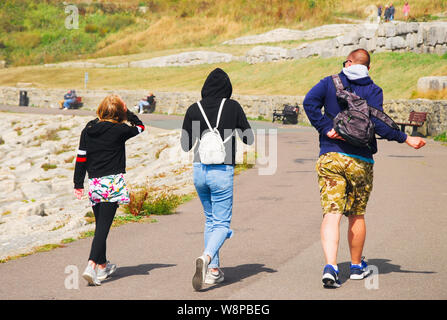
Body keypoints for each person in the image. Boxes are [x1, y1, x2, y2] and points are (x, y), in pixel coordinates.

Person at [303, 49, 426, 288]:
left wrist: (326, 127)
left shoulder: (329, 83)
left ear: (348, 63)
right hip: (361, 160)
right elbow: (379, 124)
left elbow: (309, 103)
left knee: (332, 213)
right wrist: (405, 138)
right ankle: (357, 266)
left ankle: (331, 267)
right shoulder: (373, 90)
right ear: (368, 68)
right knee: (356, 214)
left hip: (331, 156)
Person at [180, 68, 254, 291]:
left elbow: (185, 144)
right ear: (227, 88)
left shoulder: (194, 108)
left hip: (199, 170)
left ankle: (213, 271)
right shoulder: (232, 107)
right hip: (222, 170)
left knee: (211, 220)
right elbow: (248, 138)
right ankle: (207, 258)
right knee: (222, 223)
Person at [74, 94, 146, 286]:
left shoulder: (88, 129)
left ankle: (103, 266)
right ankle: (91, 265)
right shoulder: (120, 130)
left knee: (101, 227)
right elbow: (140, 127)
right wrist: (127, 111)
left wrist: (78, 184)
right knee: (103, 229)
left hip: (95, 184)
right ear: (119, 112)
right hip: (112, 184)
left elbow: (81, 158)